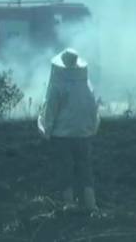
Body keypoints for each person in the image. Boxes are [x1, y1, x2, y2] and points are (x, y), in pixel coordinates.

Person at [38, 48, 100, 212]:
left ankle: (69, 204)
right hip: (84, 135)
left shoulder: (57, 85)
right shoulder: (86, 85)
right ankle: (91, 204)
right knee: (85, 169)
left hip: (62, 136)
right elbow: (93, 110)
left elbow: (50, 111)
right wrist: (92, 129)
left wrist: (46, 130)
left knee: (65, 168)